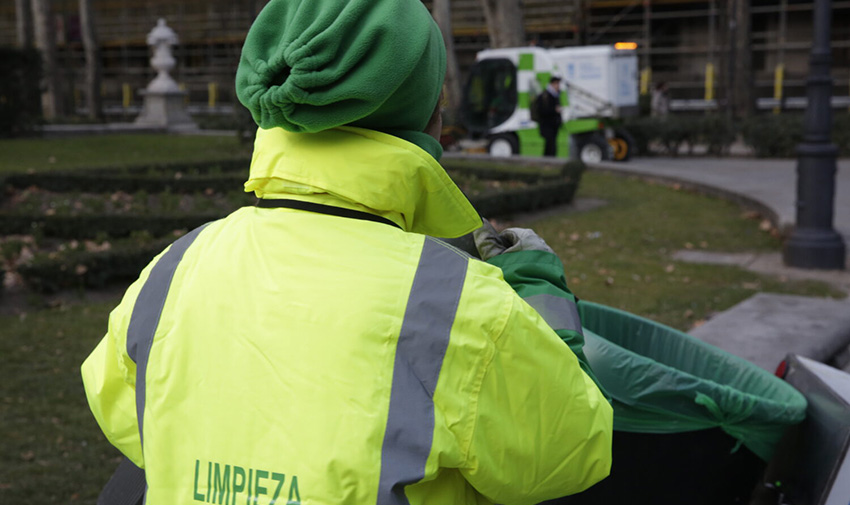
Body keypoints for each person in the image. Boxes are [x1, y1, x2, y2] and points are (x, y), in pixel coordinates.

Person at [80, 1, 612, 504]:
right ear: (429, 119)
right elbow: (569, 450)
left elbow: (128, 421)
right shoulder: (460, 305)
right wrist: (543, 300)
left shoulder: (173, 269)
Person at [537, 76, 564, 156]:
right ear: (552, 84)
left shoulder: (556, 95)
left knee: (551, 146)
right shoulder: (545, 96)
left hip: (554, 126)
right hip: (547, 126)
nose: (558, 86)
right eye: (557, 84)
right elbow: (542, 110)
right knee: (550, 147)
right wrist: (554, 110)